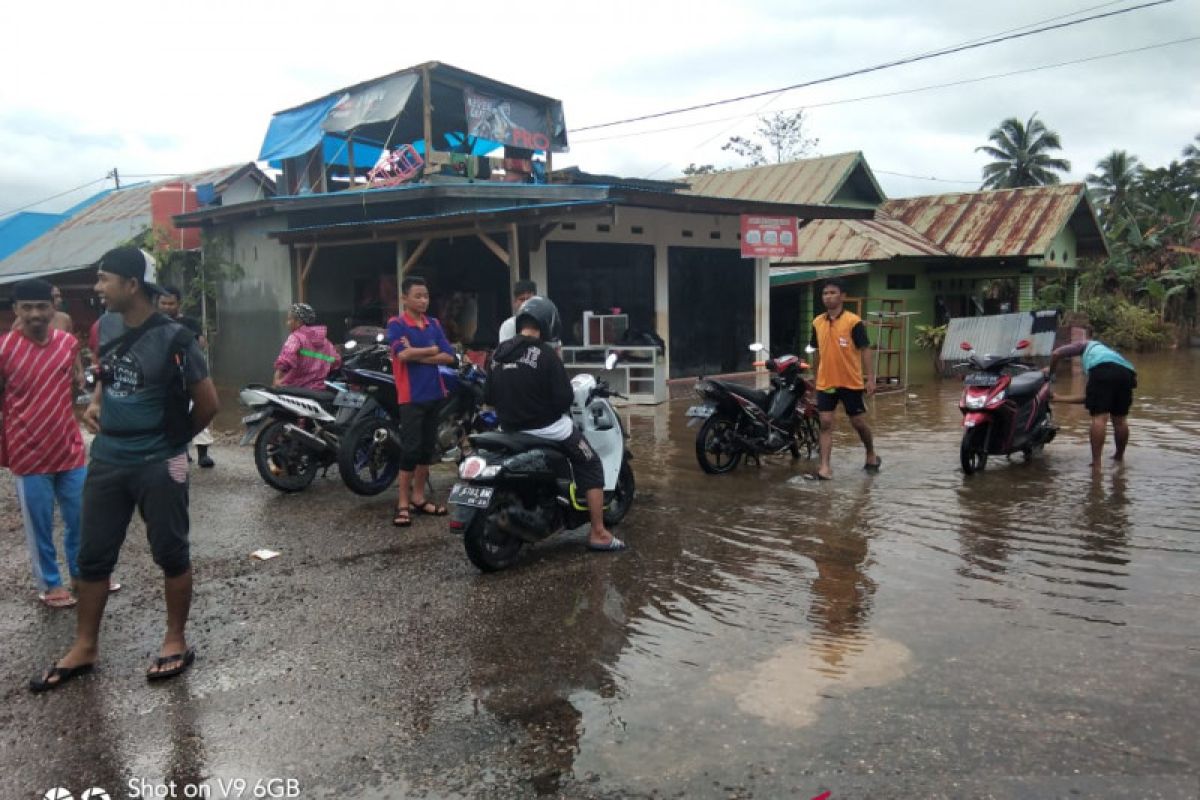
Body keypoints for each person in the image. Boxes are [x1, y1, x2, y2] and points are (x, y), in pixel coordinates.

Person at [29, 246, 219, 692]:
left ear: (132, 284)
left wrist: (171, 442)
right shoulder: (103, 327)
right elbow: (108, 375)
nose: (96, 288)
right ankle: (85, 646)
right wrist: (97, 404)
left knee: (171, 551)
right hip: (108, 458)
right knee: (92, 556)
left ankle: (175, 639)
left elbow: (209, 403)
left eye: (103, 279)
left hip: (160, 460)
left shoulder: (177, 338)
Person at [486, 296, 626, 551]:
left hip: (508, 429)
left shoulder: (498, 353)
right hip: (545, 429)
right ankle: (598, 532)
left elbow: (488, 397)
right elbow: (564, 398)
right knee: (591, 462)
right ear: (548, 323)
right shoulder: (546, 354)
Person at [0, 280, 88, 608]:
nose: (35, 314)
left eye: (41, 306)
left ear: (53, 307)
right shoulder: (4, 349)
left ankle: (82, 574)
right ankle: (50, 584)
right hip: (27, 452)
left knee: (80, 516)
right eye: (27, 308)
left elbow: (72, 385)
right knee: (39, 525)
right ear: (16, 310)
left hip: (69, 446)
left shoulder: (67, 343)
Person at [387, 276, 456, 527]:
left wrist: (418, 354)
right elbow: (401, 354)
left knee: (427, 449)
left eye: (426, 296)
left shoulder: (433, 324)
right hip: (410, 396)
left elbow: (449, 356)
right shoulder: (396, 324)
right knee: (411, 449)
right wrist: (430, 350)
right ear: (404, 298)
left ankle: (418, 497)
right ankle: (402, 503)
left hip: (434, 394)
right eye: (417, 296)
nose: (423, 300)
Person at [808, 278, 881, 480]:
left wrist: (870, 379)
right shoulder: (817, 322)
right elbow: (815, 351)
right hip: (826, 382)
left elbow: (865, 349)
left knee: (857, 422)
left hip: (850, 382)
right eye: (825, 293)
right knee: (825, 422)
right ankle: (824, 467)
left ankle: (870, 453)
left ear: (842, 296)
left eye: (832, 292)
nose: (828, 296)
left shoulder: (853, 321)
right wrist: (815, 379)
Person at [1044, 327, 1137, 468]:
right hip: (1127, 373)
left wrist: (1050, 374)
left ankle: (1097, 463)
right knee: (1120, 420)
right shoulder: (1108, 352)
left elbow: (1056, 353)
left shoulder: (1085, 345)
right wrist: (1059, 398)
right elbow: (1089, 398)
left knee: (1099, 419)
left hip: (1103, 370)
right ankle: (1119, 458)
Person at [159, 286, 214, 468]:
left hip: (188, 376)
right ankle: (181, 450)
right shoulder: (155, 325)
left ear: (178, 304)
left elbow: (201, 344)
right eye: (163, 303)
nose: (167, 307)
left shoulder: (189, 323)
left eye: (171, 303)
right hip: (165, 379)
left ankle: (203, 454)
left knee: (197, 409)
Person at [273, 303, 340, 389]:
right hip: (318, 390)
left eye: (289, 319)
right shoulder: (325, 342)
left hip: (295, 389)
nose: (287, 323)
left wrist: (277, 380)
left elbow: (285, 361)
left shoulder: (295, 338)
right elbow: (335, 361)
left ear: (298, 322)